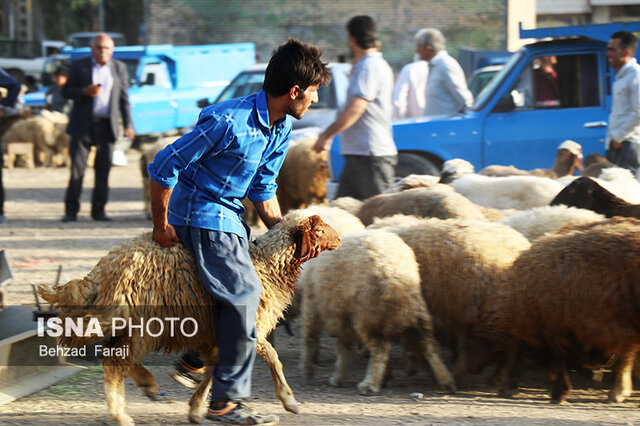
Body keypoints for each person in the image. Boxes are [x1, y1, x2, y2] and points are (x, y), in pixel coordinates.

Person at [148, 38, 330, 425]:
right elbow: (165, 163)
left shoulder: (280, 129)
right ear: (295, 91)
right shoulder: (227, 121)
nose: (315, 101)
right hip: (201, 214)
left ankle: (197, 358)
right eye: (313, 92)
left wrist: (288, 237)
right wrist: (160, 225)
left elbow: (263, 191)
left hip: (231, 219)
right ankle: (225, 402)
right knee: (246, 293)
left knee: (254, 287)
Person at [313, 15, 397, 200]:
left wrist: (327, 135)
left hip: (371, 156)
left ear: (352, 39)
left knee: (378, 218)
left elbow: (357, 107)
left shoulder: (370, 66)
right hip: (359, 155)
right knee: (344, 214)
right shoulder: (365, 65)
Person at [61, 33, 134, 222]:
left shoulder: (119, 68)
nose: (102, 51)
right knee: (77, 170)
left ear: (112, 50)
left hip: (107, 126)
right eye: (98, 48)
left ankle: (99, 211)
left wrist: (128, 125)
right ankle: (71, 211)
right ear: (92, 49)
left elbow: (124, 99)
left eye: (106, 48)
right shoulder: (79, 66)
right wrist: (83, 92)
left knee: (103, 170)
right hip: (82, 126)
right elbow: (66, 91)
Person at [605, 31, 640, 176]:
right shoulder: (622, 76)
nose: (608, 54)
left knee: (630, 193)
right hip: (618, 144)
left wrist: (618, 136)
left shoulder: (635, 75)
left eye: (612, 50)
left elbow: (638, 112)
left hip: (628, 144)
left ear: (625, 52)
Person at [421, 28, 473, 116]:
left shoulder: (446, 65)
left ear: (428, 48)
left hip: (446, 127)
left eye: (419, 46)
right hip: (435, 126)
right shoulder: (435, 66)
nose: (417, 51)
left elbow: (465, 100)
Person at [392, 29, 430, 119]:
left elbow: (398, 102)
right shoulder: (440, 67)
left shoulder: (410, 70)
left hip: (413, 124)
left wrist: (403, 123)